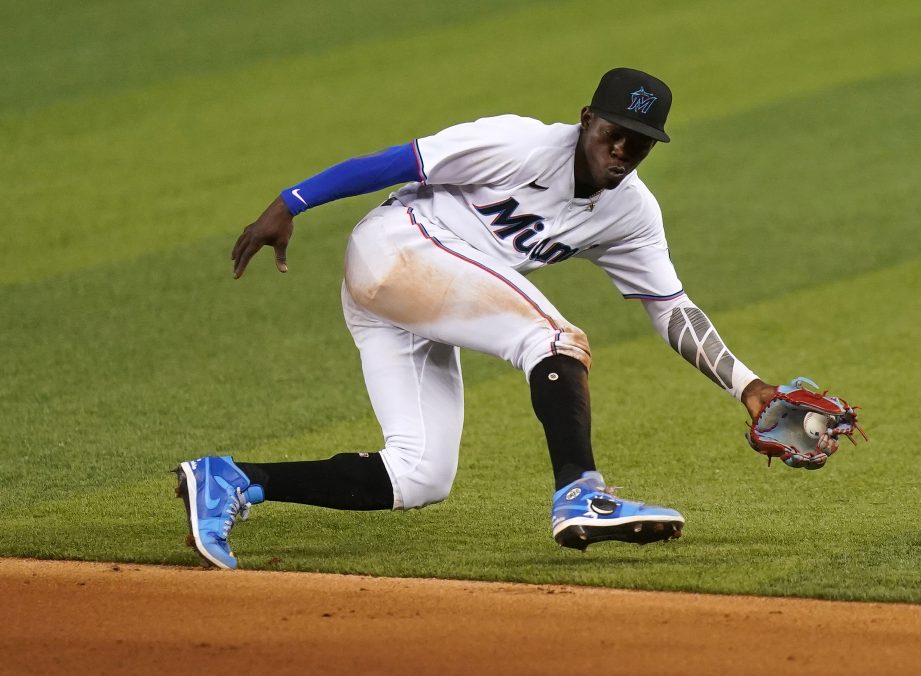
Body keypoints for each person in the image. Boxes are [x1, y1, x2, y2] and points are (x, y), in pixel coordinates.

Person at [176, 68, 778, 570]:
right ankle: (581, 494)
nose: (622, 151)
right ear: (587, 118)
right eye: (614, 133)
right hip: (397, 248)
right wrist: (290, 203)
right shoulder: (517, 143)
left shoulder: (631, 213)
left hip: (413, 301)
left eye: (640, 142)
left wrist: (746, 385)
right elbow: (395, 162)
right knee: (553, 339)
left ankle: (227, 479)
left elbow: (671, 309)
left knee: (420, 474)